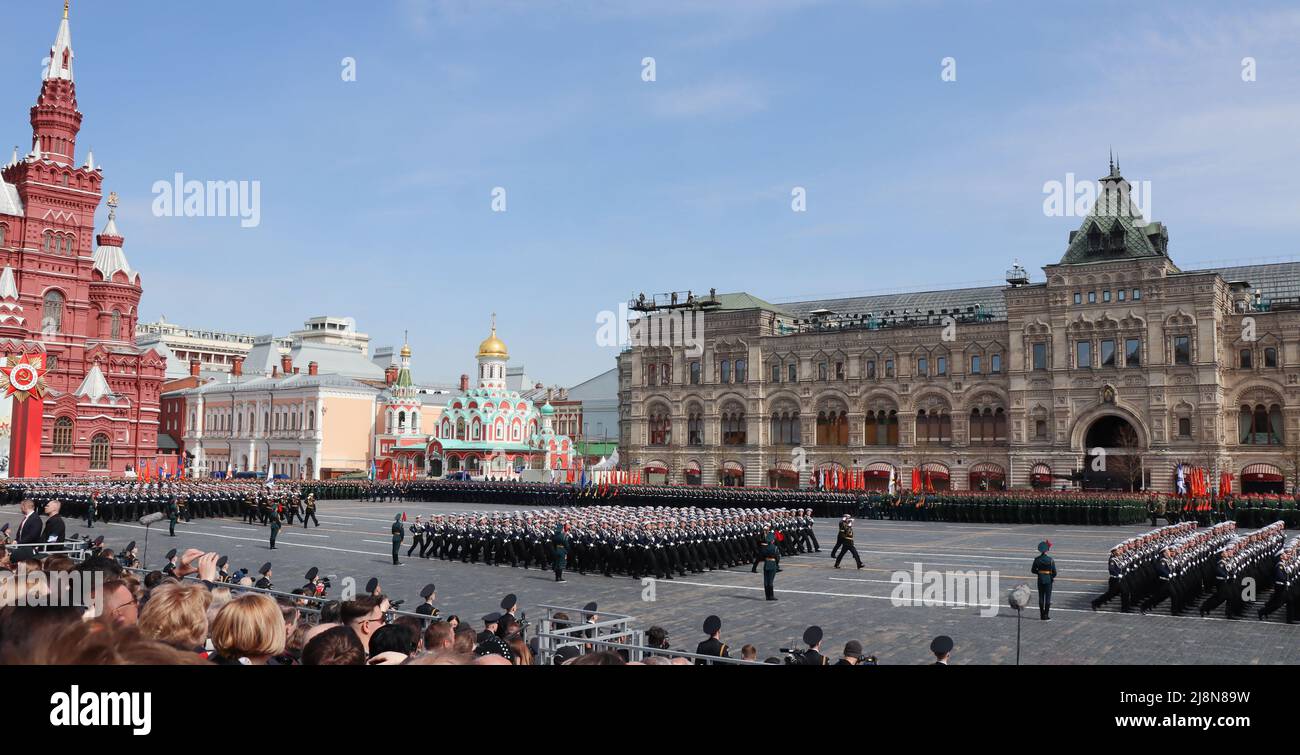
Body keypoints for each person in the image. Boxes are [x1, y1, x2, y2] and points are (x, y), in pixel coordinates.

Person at [1031, 540, 1057, 621]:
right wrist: (1050, 576)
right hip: (1048, 580)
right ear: (1047, 550)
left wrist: (1040, 573)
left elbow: (1033, 570)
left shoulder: (1037, 559)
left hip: (1040, 579)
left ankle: (1042, 615)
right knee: (1048, 598)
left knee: (1041, 597)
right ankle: (1046, 615)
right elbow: (1054, 573)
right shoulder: (1050, 560)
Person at [761, 531, 780, 601]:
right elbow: (777, 557)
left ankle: (767, 596)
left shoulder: (764, 547)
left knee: (766, 581)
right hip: (772, 564)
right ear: (772, 541)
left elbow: (762, 556)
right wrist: (776, 564)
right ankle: (771, 596)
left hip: (766, 564)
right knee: (770, 581)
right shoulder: (775, 547)